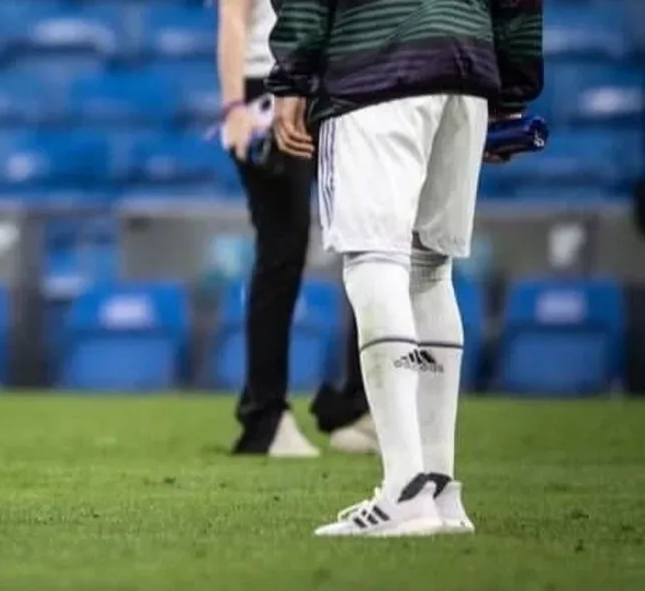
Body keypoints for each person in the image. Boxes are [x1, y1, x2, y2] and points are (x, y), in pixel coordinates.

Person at [268, 0, 543, 536]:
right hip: (466, 64)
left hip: (374, 62)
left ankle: (405, 490)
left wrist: (291, 78)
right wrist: (509, 87)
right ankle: (439, 491)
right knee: (429, 269)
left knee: (376, 261)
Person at [217, 0, 377, 457]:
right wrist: (234, 107)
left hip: (327, 79)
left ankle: (358, 405)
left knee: (368, 236)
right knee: (282, 249)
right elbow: (234, 15)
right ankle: (265, 417)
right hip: (268, 86)